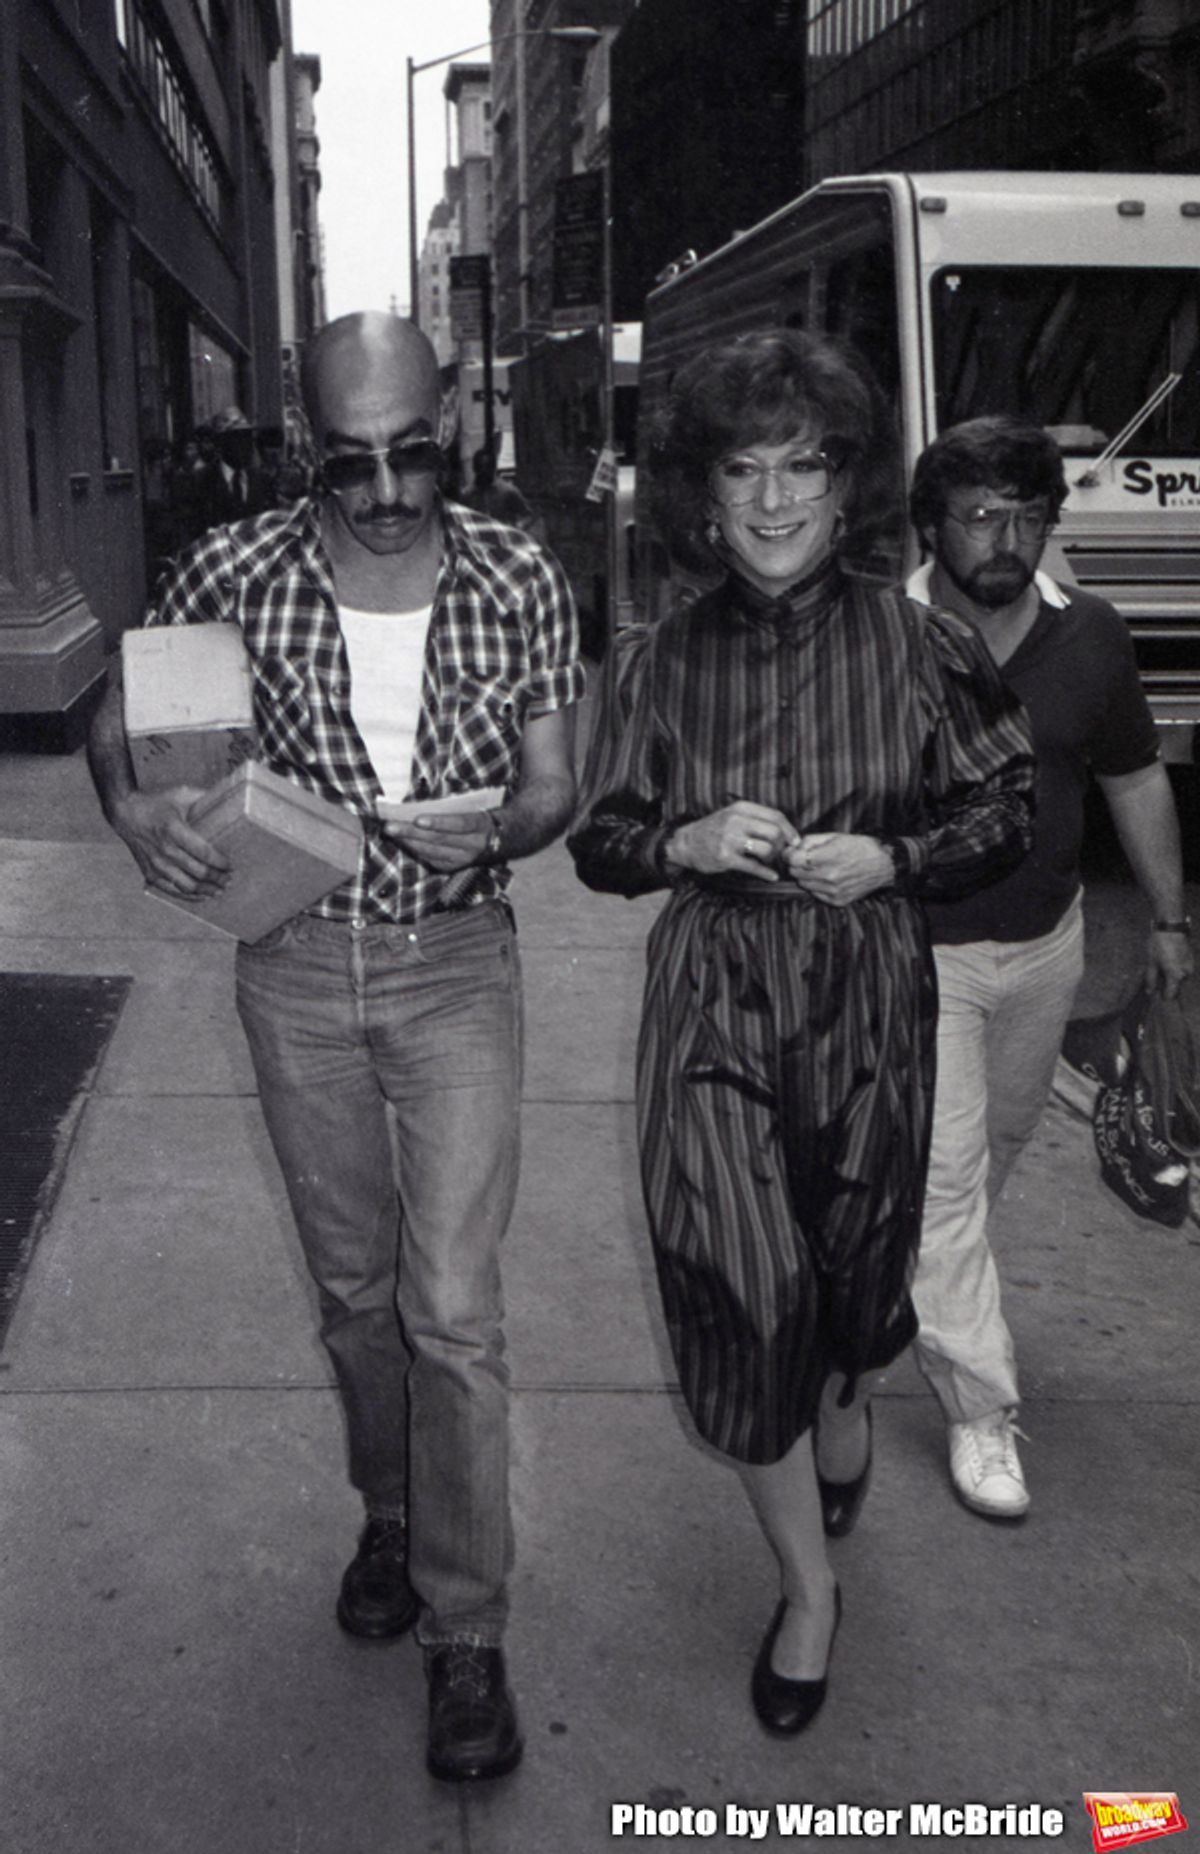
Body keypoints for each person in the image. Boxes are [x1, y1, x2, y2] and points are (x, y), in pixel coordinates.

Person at [87, 311, 583, 1782]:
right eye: (350, 461)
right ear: (311, 447)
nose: (383, 493)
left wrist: (503, 824)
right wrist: (130, 809)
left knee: (452, 1306)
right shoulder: (232, 569)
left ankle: (467, 1627)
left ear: (452, 436)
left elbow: (559, 782)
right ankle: (391, 1506)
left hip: (455, 969)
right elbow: (126, 719)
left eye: (412, 456)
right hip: (294, 968)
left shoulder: (520, 572)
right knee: (358, 1293)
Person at [568, 330, 1036, 1734]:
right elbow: (600, 836)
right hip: (714, 1000)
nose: (774, 501)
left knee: (851, 1290)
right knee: (741, 1286)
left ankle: (842, 1397)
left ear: (847, 494)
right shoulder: (656, 659)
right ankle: (807, 1587)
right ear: (704, 499)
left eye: (804, 468)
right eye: (743, 471)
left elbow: (1008, 804)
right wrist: (686, 838)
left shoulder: (919, 639)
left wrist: (894, 862)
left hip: (871, 994)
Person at [905, 415, 1193, 1520]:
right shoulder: (882, 634)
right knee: (943, 1183)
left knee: (994, 1151)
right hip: (919, 955)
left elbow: (1133, 779)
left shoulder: (1094, 637)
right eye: (979, 515)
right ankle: (983, 1412)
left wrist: (1167, 922)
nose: (1004, 539)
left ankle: (915, 1278)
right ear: (934, 524)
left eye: (1027, 516)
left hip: (1046, 946)